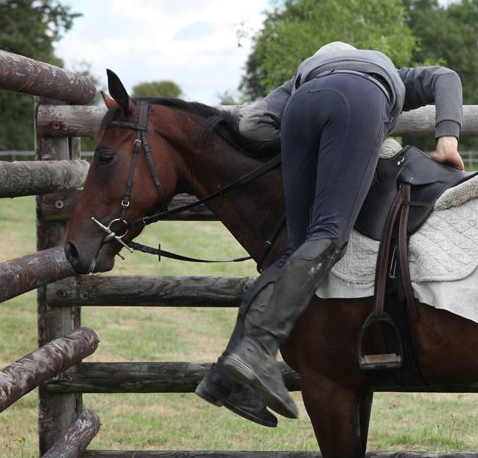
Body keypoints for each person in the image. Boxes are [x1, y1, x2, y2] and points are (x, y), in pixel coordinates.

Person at [195, 41, 464, 421]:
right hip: (361, 101)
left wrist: (308, 149)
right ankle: (257, 351)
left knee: (295, 249)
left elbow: (253, 126)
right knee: (329, 235)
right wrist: (447, 138)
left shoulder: (299, 81)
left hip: (300, 108)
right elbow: (446, 77)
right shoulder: (389, 73)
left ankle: (224, 378)